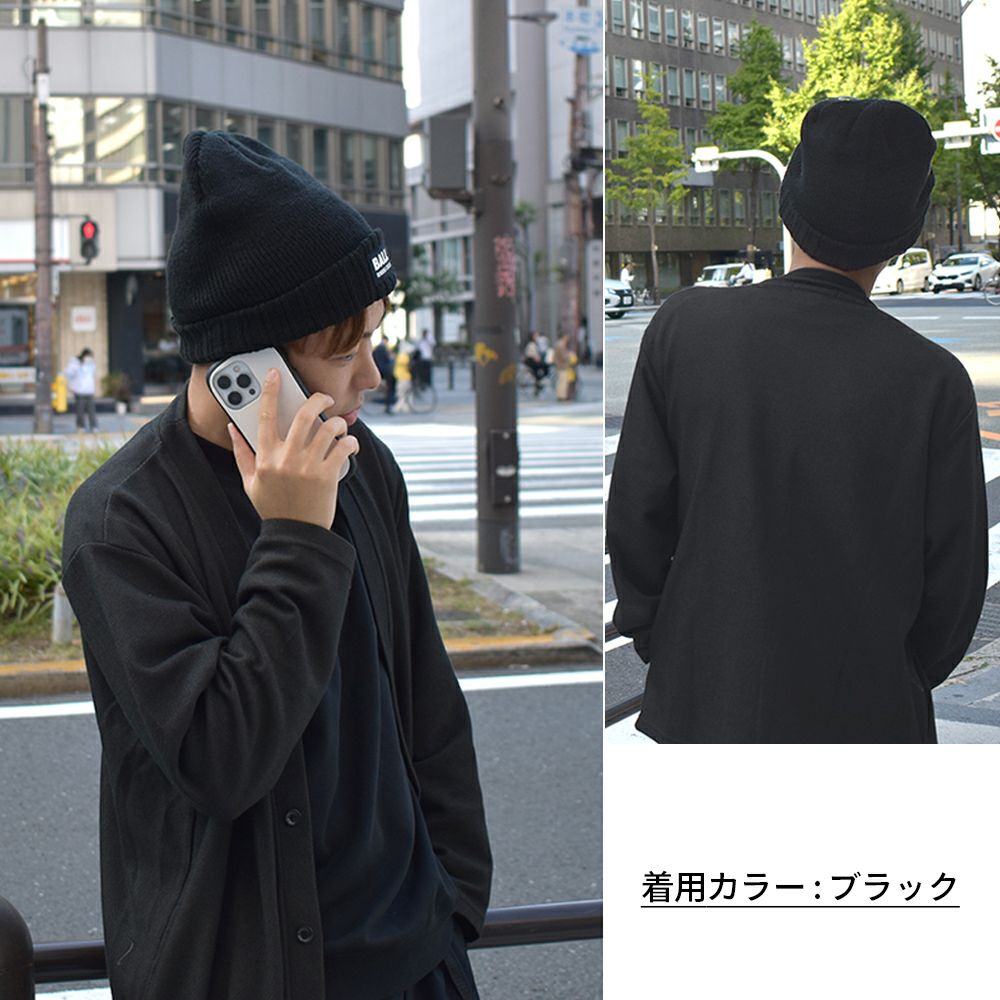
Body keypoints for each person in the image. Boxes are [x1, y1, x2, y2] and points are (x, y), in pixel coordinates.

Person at [61, 130, 491, 1000]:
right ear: (249, 367)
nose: (372, 375)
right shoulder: (121, 522)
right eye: (344, 349)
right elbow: (222, 760)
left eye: (375, 338)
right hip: (243, 972)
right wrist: (295, 536)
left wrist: (454, 905)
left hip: (417, 961)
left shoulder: (362, 465)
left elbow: (426, 700)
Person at [607, 98, 986, 744]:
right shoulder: (933, 381)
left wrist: (669, 642)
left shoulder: (685, 329)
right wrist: (886, 674)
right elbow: (953, 593)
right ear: (906, 232)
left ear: (789, 201)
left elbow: (636, 519)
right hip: (870, 717)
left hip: (704, 702)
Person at [64, 347, 98, 432]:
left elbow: (93, 375)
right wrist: (71, 386)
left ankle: (94, 426)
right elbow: (68, 374)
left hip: (89, 390)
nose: (89, 358)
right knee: (80, 410)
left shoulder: (91, 365)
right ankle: (80, 426)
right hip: (79, 391)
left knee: (91, 410)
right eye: (88, 356)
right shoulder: (75, 364)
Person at [373, 333, 396, 412]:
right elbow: (387, 359)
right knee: (389, 388)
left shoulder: (378, 348)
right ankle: (388, 406)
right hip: (385, 371)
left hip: (381, 370)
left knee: (388, 388)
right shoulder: (382, 348)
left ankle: (388, 405)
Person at [553, 332, 577, 402]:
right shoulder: (561, 345)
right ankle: (562, 396)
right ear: (564, 337)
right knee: (563, 381)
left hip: (560, 365)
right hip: (562, 365)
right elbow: (563, 356)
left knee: (561, 381)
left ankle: (560, 396)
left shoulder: (559, 344)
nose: (568, 339)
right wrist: (569, 355)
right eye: (567, 337)